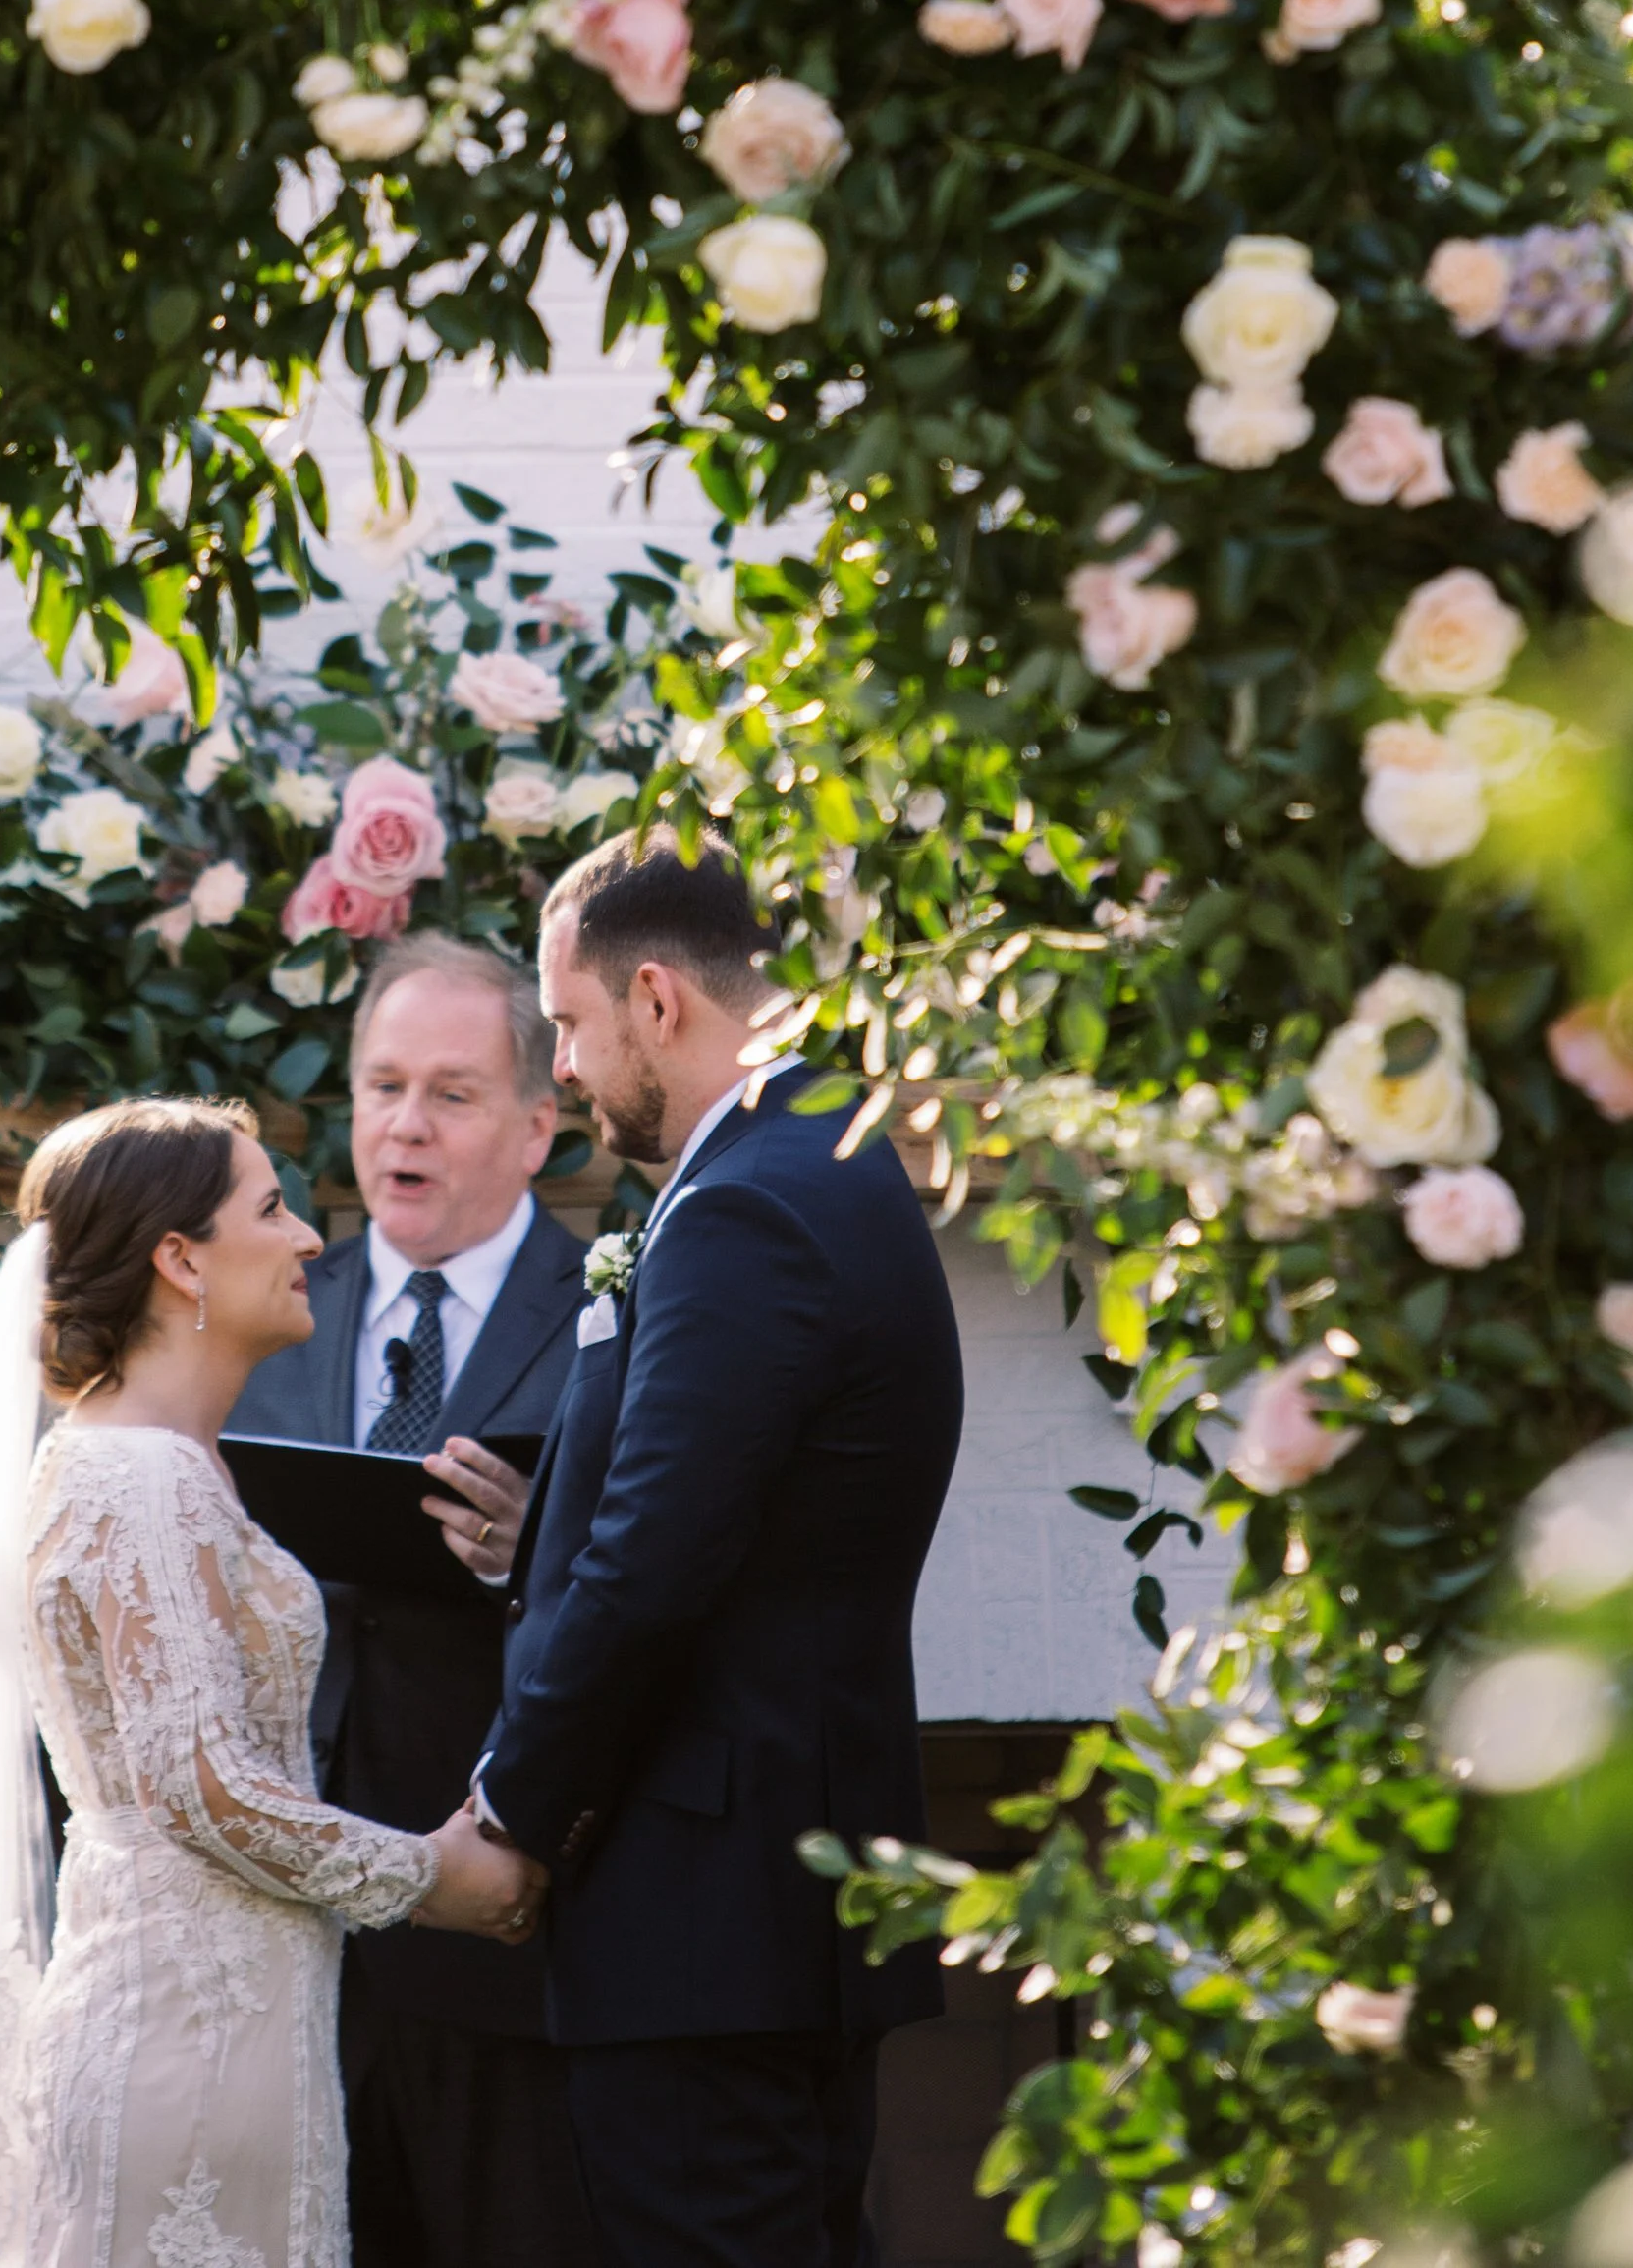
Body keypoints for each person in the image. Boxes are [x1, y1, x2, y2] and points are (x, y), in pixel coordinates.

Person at [0, 1094, 542, 2268]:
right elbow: (205, 1789)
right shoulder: (139, 1484)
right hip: (180, 2045)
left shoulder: (161, 1467)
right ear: (180, 1260)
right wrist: (432, 1877)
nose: (308, 1238)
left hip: (238, 2028)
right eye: (271, 1209)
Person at [475, 836, 965, 2268]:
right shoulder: (827, 1159)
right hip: (780, 1898)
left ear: (655, 998)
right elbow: (741, 1516)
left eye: (568, 1024)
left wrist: (511, 1807)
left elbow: (652, 1563)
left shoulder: (743, 1201)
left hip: (703, 1919)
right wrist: (536, 1534)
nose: (562, 1069)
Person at [230, 934, 600, 2268]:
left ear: (537, 1125)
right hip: (291, 1940)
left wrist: (529, 1554)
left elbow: (662, 1591)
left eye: (451, 1091)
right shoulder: (271, 1308)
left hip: (509, 1937)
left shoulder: (616, 1316)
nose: (406, 1123)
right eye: (383, 1085)